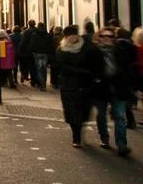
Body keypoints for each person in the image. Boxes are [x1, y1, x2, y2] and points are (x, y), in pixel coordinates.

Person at [94, 26, 133, 157]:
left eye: (109, 36)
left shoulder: (120, 51)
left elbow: (127, 69)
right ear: (99, 37)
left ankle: (121, 144)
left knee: (120, 116)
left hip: (118, 88)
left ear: (113, 38)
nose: (106, 38)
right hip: (101, 88)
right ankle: (104, 137)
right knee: (101, 115)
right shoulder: (94, 52)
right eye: (103, 36)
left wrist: (133, 86)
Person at [55, 25, 93, 148]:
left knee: (83, 110)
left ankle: (79, 131)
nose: (73, 37)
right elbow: (61, 66)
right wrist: (82, 71)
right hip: (68, 85)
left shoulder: (85, 47)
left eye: (75, 34)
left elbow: (91, 61)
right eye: (70, 35)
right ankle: (76, 136)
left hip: (84, 84)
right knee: (71, 111)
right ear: (66, 37)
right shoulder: (61, 49)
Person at [30, 22, 52, 91]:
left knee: (39, 69)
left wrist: (33, 51)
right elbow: (50, 45)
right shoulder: (48, 35)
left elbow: (32, 44)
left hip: (37, 53)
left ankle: (41, 84)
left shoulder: (34, 35)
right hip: (45, 54)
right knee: (44, 69)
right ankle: (44, 83)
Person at [18, 20, 38, 86]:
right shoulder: (37, 30)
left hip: (28, 52)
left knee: (29, 66)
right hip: (36, 51)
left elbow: (23, 42)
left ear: (28, 24)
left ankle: (32, 80)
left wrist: (20, 50)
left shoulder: (26, 32)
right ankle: (36, 80)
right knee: (35, 67)